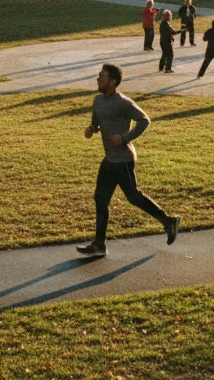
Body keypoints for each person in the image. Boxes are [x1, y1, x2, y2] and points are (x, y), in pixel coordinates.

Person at [76, 63, 180, 257]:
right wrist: (91, 130)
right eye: (99, 75)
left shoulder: (123, 102)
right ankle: (99, 244)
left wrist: (124, 138)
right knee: (100, 199)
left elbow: (144, 120)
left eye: (102, 76)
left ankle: (168, 221)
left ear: (112, 82)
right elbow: (95, 123)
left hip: (123, 159)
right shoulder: (97, 100)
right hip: (109, 159)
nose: (98, 78)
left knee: (133, 197)